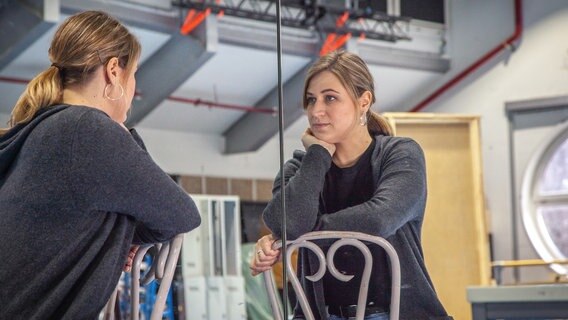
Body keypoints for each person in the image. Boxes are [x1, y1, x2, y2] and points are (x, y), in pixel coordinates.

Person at [0, 11, 201, 319]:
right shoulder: (87, 130)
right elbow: (181, 213)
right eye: (133, 74)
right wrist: (132, 237)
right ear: (113, 72)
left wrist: (123, 235)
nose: (134, 89)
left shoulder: (39, 130)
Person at [250, 50, 451, 320]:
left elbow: (379, 219)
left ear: (364, 101)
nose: (316, 111)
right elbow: (284, 223)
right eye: (311, 100)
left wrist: (304, 234)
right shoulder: (300, 168)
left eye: (330, 98)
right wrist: (318, 155)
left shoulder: (400, 154)